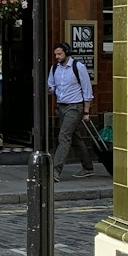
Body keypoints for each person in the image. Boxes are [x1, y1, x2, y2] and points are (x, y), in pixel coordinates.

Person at [48, 41, 95, 182]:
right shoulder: (54, 68)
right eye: (55, 54)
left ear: (67, 53)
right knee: (75, 137)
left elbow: (87, 90)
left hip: (75, 107)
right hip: (61, 107)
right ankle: (88, 167)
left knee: (63, 136)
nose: (57, 56)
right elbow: (51, 86)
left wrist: (86, 112)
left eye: (59, 54)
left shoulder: (78, 67)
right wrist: (49, 90)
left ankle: (55, 171)